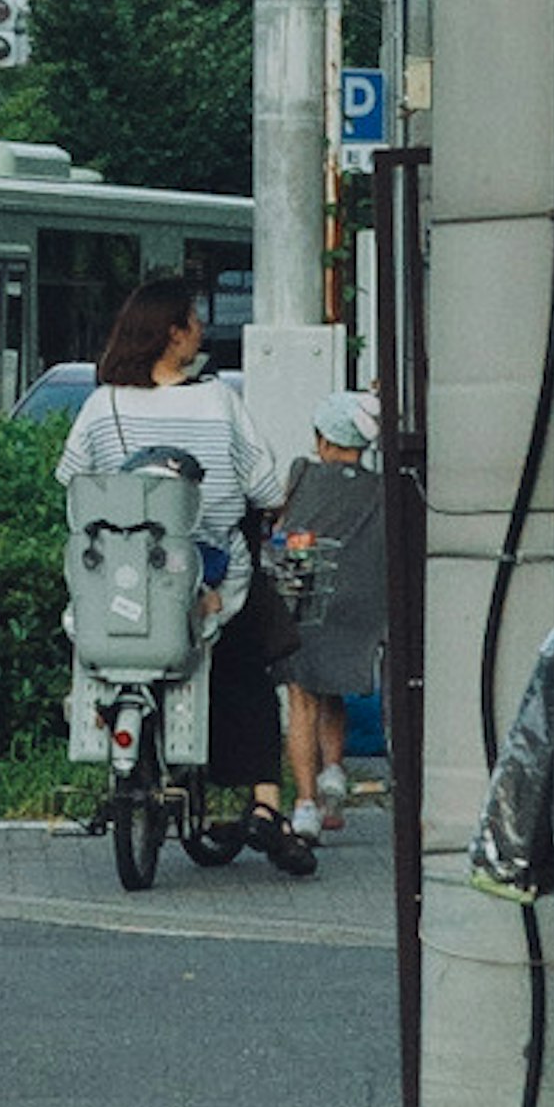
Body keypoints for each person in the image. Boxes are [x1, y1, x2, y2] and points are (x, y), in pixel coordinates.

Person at [53, 269, 306, 869]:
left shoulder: (102, 404)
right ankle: (267, 803)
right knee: (248, 664)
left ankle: (98, 712)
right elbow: (266, 487)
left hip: (120, 580)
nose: (199, 333)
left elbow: (71, 484)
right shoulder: (219, 401)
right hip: (205, 576)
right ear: (173, 335)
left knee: (87, 636)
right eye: (192, 322)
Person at [271, 395, 389, 846]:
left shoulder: (303, 472)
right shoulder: (379, 487)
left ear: (323, 440)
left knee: (302, 697)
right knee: (333, 688)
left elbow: (282, 521)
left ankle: (304, 804)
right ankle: (334, 776)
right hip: (359, 601)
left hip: (309, 595)